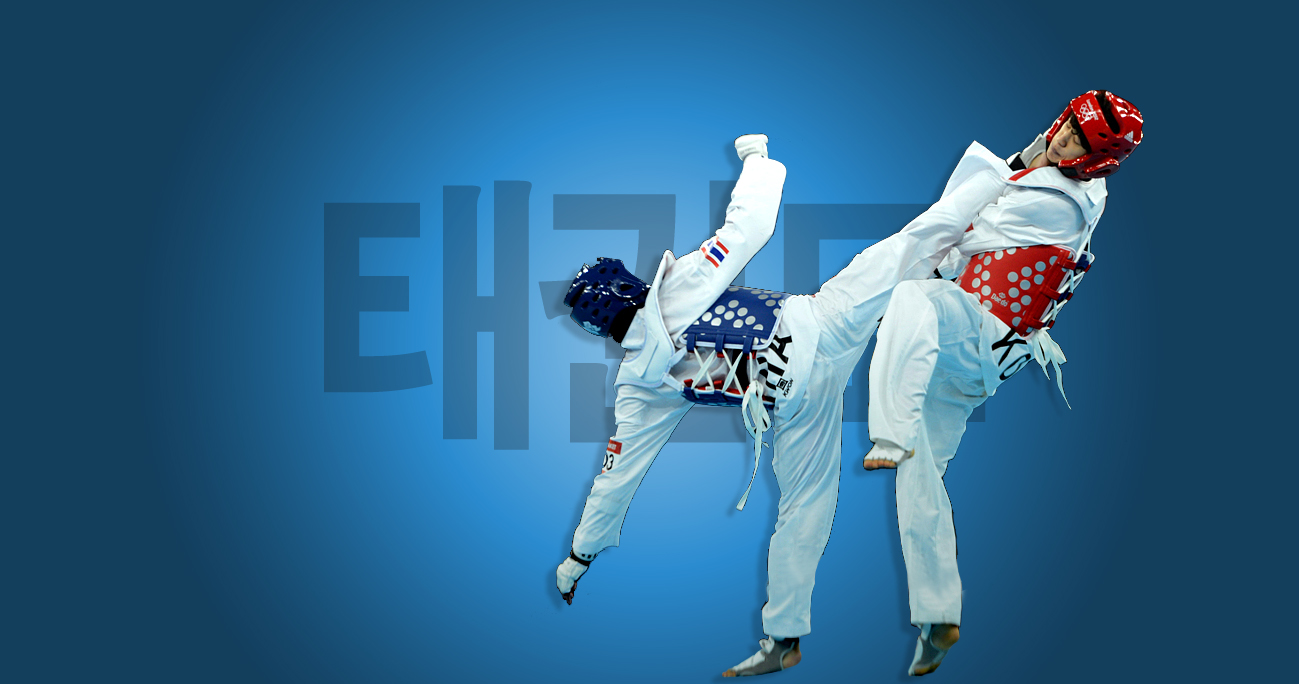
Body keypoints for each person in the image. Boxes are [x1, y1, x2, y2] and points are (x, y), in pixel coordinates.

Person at [555, 125, 1051, 675]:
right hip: (823, 323)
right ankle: (1013, 170)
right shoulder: (677, 286)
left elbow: (616, 479)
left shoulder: (638, 386)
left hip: (791, 405)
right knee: (914, 242)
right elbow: (750, 226)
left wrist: (578, 557)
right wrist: (757, 158)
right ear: (627, 284)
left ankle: (783, 638)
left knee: (802, 509)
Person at [860, 90, 1144, 676]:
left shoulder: (1061, 203)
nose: (1062, 140)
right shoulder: (1083, 186)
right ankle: (939, 616)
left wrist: (1023, 161)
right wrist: (1032, 157)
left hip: (978, 328)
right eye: (1066, 126)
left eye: (1078, 141)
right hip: (981, 356)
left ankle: (888, 431)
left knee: (911, 297)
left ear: (1098, 160)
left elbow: (961, 228)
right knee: (921, 474)